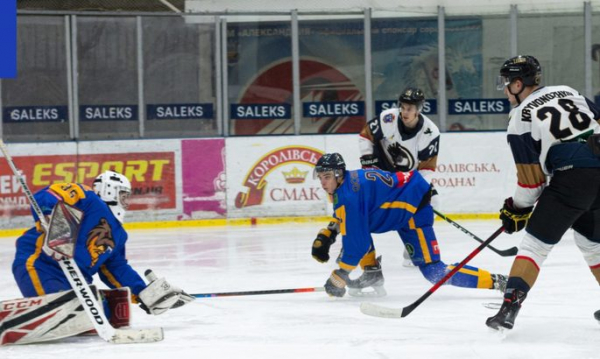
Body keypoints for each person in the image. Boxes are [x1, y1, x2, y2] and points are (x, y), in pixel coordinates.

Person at [5, 170, 193, 344]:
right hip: (40, 264)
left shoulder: (119, 235)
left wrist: (143, 293)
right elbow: (48, 195)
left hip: (77, 279)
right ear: (110, 191)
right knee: (61, 310)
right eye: (123, 196)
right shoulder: (88, 199)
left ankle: (89, 303)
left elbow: (116, 269)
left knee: (101, 313)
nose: (125, 202)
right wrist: (51, 218)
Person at [486, 55, 600, 331]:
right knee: (592, 244)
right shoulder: (570, 92)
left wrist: (518, 208)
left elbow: (531, 181)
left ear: (518, 83)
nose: (503, 89)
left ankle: (508, 309)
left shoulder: (519, 117)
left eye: (506, 83)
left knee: (534, 246)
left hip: (573, 178)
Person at [311, 152, 507, 298]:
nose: (322, 182)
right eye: (320, 177)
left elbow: (357, 240)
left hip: (413, 209)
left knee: (434, 272)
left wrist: (341, 274)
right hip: (403, 203)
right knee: (358, 227)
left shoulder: (348, 195)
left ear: (338, 174)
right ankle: (372, 272)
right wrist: (328, 233)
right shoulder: (346, 185)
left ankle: (497, 281)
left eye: (326, 177)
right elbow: (351, 221)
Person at [358, 87, 441, 266]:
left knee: (432, 201)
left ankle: (413, 247)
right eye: (403, 107)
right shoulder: (388, 118)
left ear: (419, 109)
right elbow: (365, 135)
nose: (405, 112)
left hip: (408, 177)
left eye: (410, 108)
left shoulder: (430, 132)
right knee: (362, 206)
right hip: (381, 172)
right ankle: (362, 254)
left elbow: (427, 168)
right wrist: (368, 162)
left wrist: (420, 190)